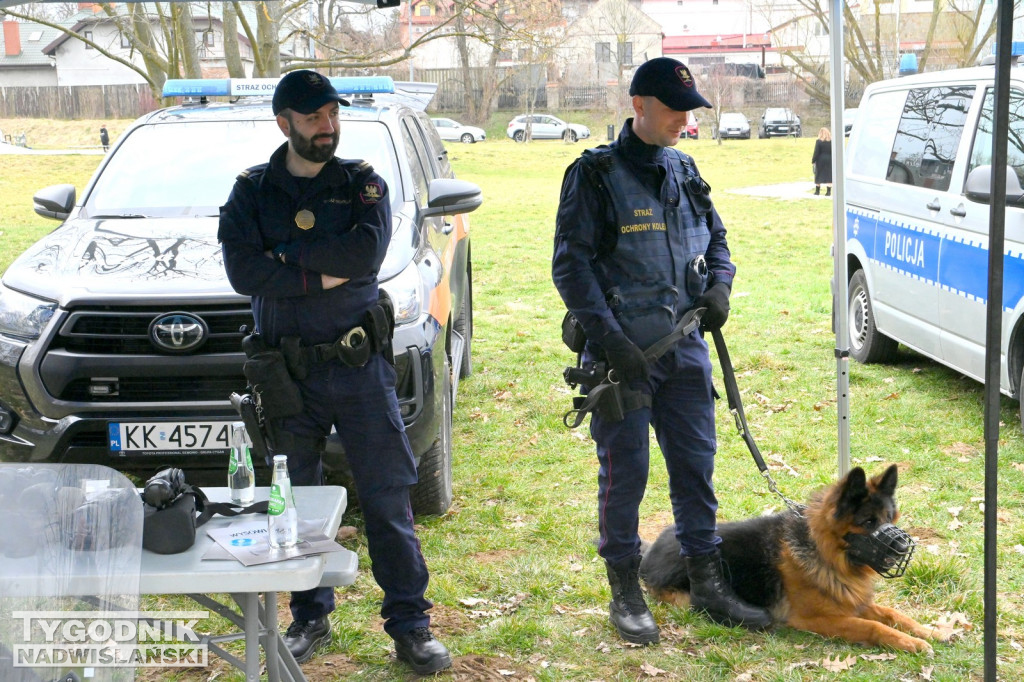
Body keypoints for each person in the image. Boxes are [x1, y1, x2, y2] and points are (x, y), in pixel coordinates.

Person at [218, 70, 451, 675]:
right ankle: (308, 614)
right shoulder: (251, 193)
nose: (328, 125)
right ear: (284, 122)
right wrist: (318, 270)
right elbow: (244, 274)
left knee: (386, 496)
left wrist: (285, 258)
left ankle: (410, 624)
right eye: (314, 116)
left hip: (357, 369)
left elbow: (362, 257)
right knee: (291, 498)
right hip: (286, 375)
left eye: (332, 114)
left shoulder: (362, 185)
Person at [552, 57, 772, 645]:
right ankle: (625, 589)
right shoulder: (593, 176)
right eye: (674, 109)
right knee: (626, 476)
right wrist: (611, 340)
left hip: (685, 352)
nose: (683, 119)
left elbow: (717, 238)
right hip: (623, 360)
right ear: (639, 106)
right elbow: (570, 267)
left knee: (696, 469)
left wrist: (720, 285)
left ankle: (707, 581)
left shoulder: (685, 169)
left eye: (689, 110)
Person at [812, 127, 832, 196]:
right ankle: (828, 192)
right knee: (829, 175)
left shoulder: (818, 141)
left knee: (818, 174)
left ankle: (817, 191)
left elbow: (816, 152)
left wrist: (813, 160)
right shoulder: (831, 141)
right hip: (830, 159)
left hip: (820, 160)